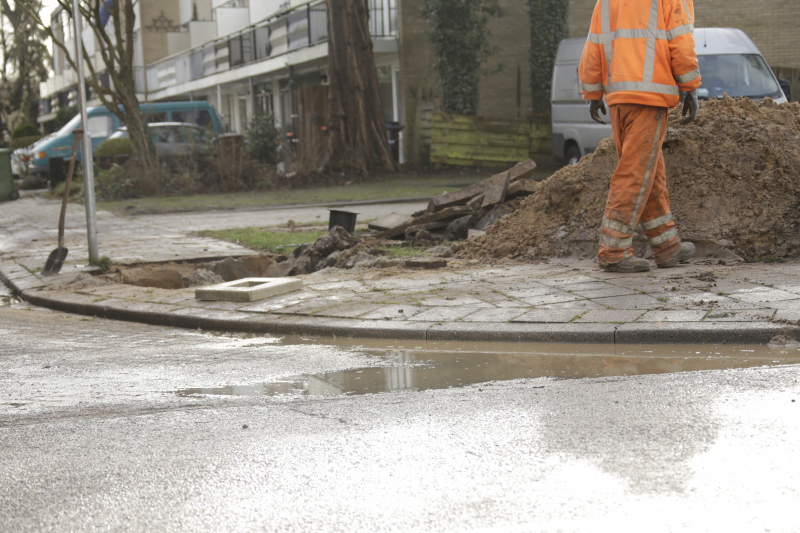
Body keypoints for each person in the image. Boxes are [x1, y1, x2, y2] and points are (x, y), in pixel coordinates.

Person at [578, 0, 702, 272]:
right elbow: (681, 41)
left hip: (618, 99)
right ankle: (613, 251)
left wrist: (593, 92)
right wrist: (690, 86)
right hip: (649, 98)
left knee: (650, 173)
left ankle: (667, 247)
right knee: (634, 173)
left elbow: (593, 45)